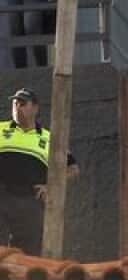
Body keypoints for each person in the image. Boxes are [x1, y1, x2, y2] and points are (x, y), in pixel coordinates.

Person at [0, 88, 77, 256]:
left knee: (28, 253)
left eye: (22, 103)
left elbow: (73, 168)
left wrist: (52, 187)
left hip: (31, 200)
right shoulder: (1, 129)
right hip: (2, 195)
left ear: (35, 108)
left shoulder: (50, 138)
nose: (17, 107)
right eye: (15, 103)